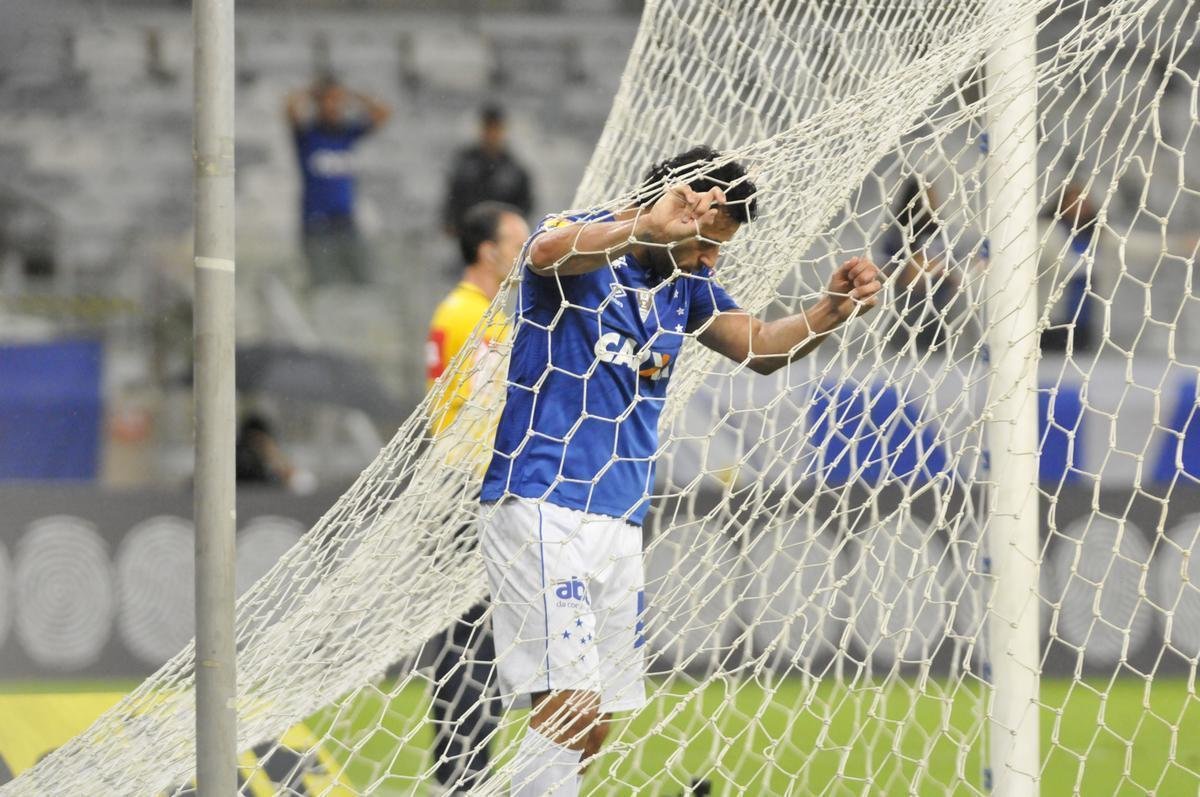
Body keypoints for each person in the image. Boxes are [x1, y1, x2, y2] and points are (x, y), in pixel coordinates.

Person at [477, 146, 882, 796]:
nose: (711, 260)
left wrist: (829, 311)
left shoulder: (684, 285)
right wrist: (640, 231)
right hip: (540, 500)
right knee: (569, 706)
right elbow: (549, 254)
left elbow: (760, 347)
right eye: (706, 243)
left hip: (616, 515)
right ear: (675, 206)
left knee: (592, 725)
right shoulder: (582, 241)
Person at [424, 202, 531, 792]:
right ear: (488, 250)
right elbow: (489, 411)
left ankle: (463, 768)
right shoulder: (471, 317)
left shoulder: (472, 313)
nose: (524, 249)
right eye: (516, 239)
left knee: (475, 638)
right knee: (472, 640)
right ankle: (463, 772)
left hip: (465, 487)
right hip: (470, 490)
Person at [286, 75, 391, 287]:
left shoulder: (346, 134)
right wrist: (311, 91)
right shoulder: (309, 135)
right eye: (329, 101)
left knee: (364, 281)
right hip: (316, 224)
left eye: (338, 101)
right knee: (323, 284)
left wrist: (353, 94)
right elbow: (289, 108)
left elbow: (383, 113)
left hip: (345, 221)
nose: (334, 106)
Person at [879, 174, 963, 353]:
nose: (933, 200)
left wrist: (938, 268)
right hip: (906, 306)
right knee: (903, 355)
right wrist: (910, 268)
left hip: (939, 307)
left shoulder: (943, 231)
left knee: (937, 354)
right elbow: (883, 268)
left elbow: (956, 269)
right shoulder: (897, 232)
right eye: (928, 195)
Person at [442, 104, 534, 237]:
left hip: (502, 237)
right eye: (488, 128)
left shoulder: (515, 170)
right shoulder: (464, 164)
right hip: (468, 237)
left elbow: (525, 206)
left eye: (495, 128)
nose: (492, 134)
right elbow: (452, 198)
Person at [1040, 180, 1098, 352]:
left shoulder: (1096, 232)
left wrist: (1170, 243)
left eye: (1084, 202)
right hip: (1050, 318)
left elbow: (1131, 243)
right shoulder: (1047, 231)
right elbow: (1053, 263)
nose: (1080, 206)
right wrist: (1089, 264)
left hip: (1083, 318)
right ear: (1062, 203)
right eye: (1075, 201)